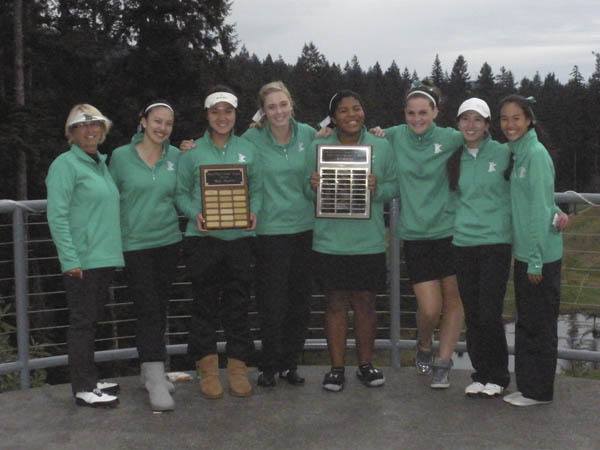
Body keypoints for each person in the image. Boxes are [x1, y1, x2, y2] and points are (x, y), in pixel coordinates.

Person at [372, 83, 464, 388]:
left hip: (451, 232)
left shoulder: (451, 137)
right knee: (429, 308)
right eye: (411, 113)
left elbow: (486, 146)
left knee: (453, 301)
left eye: (423, 112)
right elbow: (360, 138)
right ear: (404, 114)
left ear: (436, 112)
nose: (417, 118)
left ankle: (443, 361)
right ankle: (424, 344)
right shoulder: (394, 135)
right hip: (415, 234)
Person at [306, 90, 398, 392]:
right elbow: (306, 191)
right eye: (343, 111)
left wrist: (377, 188)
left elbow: (394, 186)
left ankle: (365, 365)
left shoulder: (381, 147)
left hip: (368, 241)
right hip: (330, 241)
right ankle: (335, 368)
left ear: (364, 112)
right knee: (334, 304)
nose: (351, 115)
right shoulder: (318, 146)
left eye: (356, 108)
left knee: (366, 304)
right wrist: (314, 186)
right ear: (334, 118)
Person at [176, 86, 262, 399]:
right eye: (215, 111)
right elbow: (181, 194)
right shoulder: (192, 152)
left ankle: (238, 369)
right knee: (204, 306)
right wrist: (193, 214)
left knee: (239, 306)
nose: (222, 117)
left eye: (228, 111)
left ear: (236, 115)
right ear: (207, 115)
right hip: (203, 240)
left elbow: (259, 190)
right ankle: (208, 370)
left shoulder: (248, 150)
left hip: (239, 239)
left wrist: (254, 212)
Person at [46, 104, 123, 408]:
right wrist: (70, 259)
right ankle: (82, 387)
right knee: (82, 323)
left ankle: (90, 378)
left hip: (102, 257)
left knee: (92, 321)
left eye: (96, 126)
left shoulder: (99, 164)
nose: (91, 131)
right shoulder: (65, 165)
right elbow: (57, 215)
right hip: (82, 260)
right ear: (72, 133)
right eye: (83, 127)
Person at [242, 81, 316, 387]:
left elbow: (340, 143)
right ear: (263, 110)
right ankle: (269, 364)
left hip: (305, 229)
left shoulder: (309, 134)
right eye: (271, 107)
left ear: (291, 104)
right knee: (271, 303)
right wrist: (188, 148)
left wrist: (377, 133)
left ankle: (290, 363)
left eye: (283, 104)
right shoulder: (251, 138)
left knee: (299, 303)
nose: (278, 111)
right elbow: (224, 154)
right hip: (269, 232)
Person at [109, 100, 181, 412]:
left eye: (168, 123)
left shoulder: (177, 156)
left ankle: (149, 370)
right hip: (134, 245)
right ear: (143, 121)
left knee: (159, 308)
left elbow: (183, 194)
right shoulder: (121, 157)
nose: (162, 127)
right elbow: (108, 197)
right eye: (157, 121)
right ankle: (154, 378)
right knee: (148, 308)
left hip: (168, 241)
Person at [499, 95, 565, 407]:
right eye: (504, 119)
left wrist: (536, 260)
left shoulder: (534, 155)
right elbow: (546, 200)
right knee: (527, 322)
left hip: (540, 258)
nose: (510, 125)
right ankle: (528, 387)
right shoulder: (517, 153)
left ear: (529, 120)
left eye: (516, 118)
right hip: (526, 254)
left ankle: (539, 392)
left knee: (539, 325)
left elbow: (539, 210)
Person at [447, 98, 512, 398]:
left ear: (487, 125)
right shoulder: (455, 157)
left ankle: (498, 375)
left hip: (495, 243)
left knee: (489, 312)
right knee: (472, 313)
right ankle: (480, 373)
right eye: (465, 119)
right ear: (458, 123)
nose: (470, 125)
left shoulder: (503, 153)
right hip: (463, 243)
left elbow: (525, 187)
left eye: (477, 119)